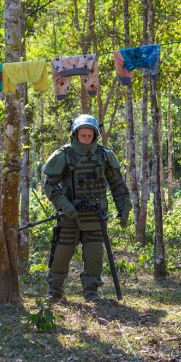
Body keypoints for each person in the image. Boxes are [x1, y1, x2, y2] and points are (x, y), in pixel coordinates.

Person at [42, 114, 132, 303]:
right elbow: (49, 185)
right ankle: (55, 291)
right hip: (70, 214)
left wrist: (123, 207)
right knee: (62, 252)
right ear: (75, 135)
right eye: (82, 135)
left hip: (95, 214)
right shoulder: (64, 155)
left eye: (89, 135)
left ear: (95, 135)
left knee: (94, 254)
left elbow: (117, 184)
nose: (86, 139)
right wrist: (65, 205)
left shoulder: (104, 155)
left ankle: (91, 291)